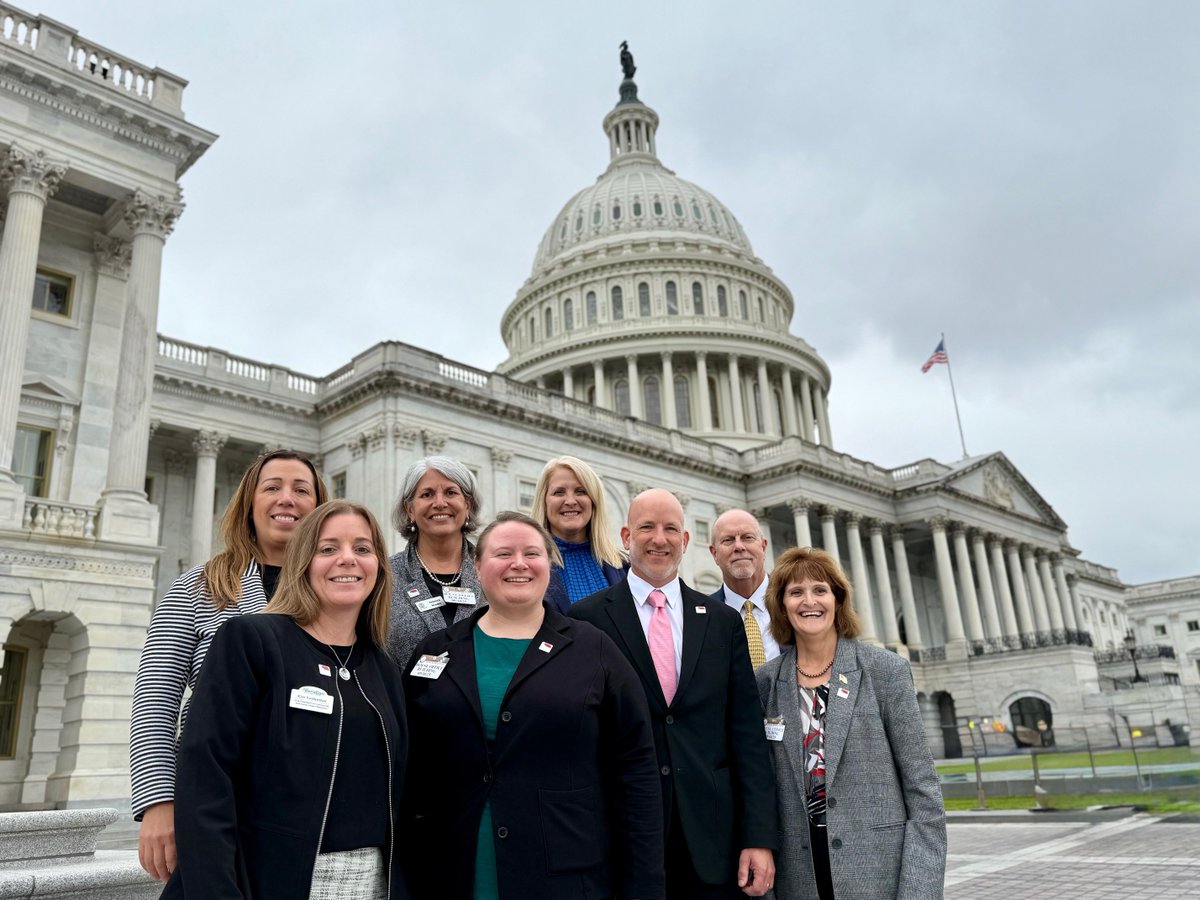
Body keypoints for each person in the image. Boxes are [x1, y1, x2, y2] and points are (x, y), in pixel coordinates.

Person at [403, 511, 664, 899]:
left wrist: (644, 886)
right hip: (450, 872)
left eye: (531, 553)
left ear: (549, 564)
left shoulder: (594, 650)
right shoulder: (436, 651)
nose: (519, 564)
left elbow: (636, 771)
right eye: (503, 554)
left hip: (565, 876)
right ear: (477, 566)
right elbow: (410, 767)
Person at [166, 500, 409, 900]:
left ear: (379, 567)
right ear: (302, 563)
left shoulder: (384, 669)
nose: (347, 559)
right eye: (328, 548)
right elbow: (205, 776)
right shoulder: (252, 641)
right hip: (266, 879)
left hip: (370, 883)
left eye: (362, 548)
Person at [130, 449, 328, 882]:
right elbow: (155, 699)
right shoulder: (198, 585)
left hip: (313, 804)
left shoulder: (337, 593)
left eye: (301, 490)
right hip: (218, 799)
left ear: (319, 507)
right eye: (272, 487)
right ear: (249, 503)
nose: (287, 498)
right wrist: (158, 802)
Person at [570, 488, 777, 899]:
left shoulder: (722, 622)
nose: (659, 539)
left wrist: (758, 837)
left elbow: (747, 737)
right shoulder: (586, 620)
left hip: (713, 839)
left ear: (684, 540)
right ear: (627, 536)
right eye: (647, 527)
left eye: (670, 529)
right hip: (622, 836)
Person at [755, 547, 946, 900]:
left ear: (838, 599)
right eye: (795, 592)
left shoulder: (885, 671)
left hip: (877, 876)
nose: (808, 601)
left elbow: (923, 792)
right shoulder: (765, 683)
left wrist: (919, 891)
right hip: (798, 880)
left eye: (820, 590)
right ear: (781, 605)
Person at [386, 456, 484, 668]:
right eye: (427, 494)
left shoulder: (492, 570)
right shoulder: (384, 576)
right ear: (410, 509)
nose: (439, 503)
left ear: (467, 505)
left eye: (450, 492)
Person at [531, 455, 626, 612]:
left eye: (580, 491)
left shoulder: (625, 566)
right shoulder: (527, 565)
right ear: (544, 501)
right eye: (559, 492)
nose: (570, 501)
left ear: (594, 501)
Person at [708, 509, 779, 668]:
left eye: (748, 538)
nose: (739, 546)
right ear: (714, 554)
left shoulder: (793, 602)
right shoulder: (702, 617)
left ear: (763, 547)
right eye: (728, 540)